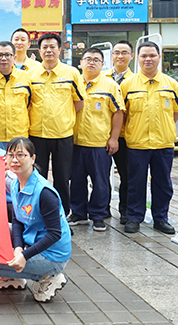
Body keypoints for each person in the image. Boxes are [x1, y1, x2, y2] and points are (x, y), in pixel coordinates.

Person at [0, 137, 71, 303]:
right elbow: (17, 219)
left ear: (32, 158)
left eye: (20, 155)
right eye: (10, 155)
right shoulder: (15, 183)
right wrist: (18, 248)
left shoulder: (45, 193)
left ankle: (48, 276)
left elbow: (54, 234)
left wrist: (24, 255)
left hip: (52, 255)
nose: (14, 160)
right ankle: (15, 277)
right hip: (31, 240)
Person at [121, 41, 178, 235]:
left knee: (163, 183)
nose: (148, 59)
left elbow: (176, 112)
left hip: (163, 143)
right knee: (135, 183)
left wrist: (164, 128)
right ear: (138, 59)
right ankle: (134, 218)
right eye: (144, 56)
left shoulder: (171, 84)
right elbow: (122, 114)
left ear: (159, 57)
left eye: (152, 55)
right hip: (137, 143)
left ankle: (161, 218)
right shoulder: (127, 85)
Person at [28, 33, 85, 215]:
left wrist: (64, 118)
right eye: (44, 47)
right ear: (39, 51)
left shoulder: (71, 73)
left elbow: (79, 102)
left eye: (52, 46)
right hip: (37, 134)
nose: (49, 50)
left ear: (59, 50)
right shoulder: (30, 74)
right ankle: (39, 213)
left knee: (62, 177)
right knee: (37, 177)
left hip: (63, 134)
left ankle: (62, 214)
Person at [68, 48, 124, 232]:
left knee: (100, 182)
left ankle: (98, 215)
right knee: (76, 181)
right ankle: (78, 213)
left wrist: (114, 138)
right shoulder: (74, 83)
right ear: (81, 63)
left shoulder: (110, 85)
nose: (91, 62)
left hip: (99, 143)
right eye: (88, 59)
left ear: (102, 64)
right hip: (75, 142)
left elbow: (118, 112)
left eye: (96, 60)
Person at [103, 40, 135, 224]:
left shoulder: (135, 80)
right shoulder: (102, 77)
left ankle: (125, 211)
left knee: (127, 175)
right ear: (112, 55)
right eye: (116, 52)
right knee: (101, 175)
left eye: (124, 53)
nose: (120, 56)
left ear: (131, 56)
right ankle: (102, 209)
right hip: (101, 135)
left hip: (125, 137)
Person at [0, 41, 32, 150]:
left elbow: (29, 103)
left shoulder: (25, 77)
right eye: (0, 55)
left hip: (20, 134)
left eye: (8, 55)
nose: (4, 58)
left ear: (14, 57)